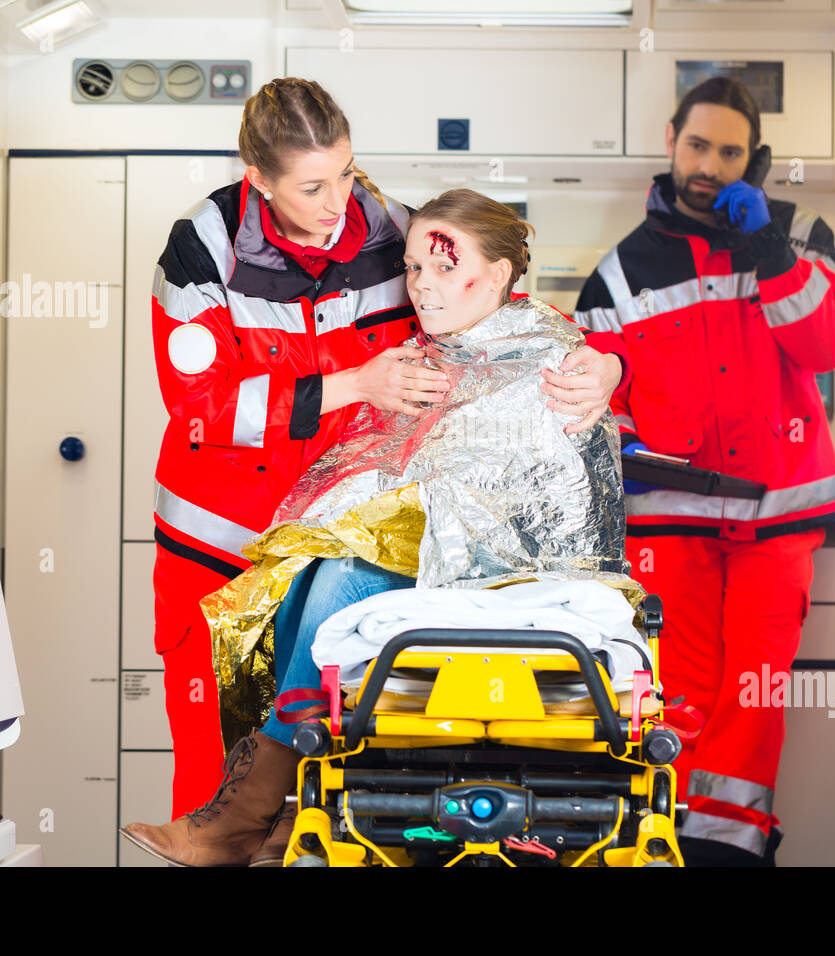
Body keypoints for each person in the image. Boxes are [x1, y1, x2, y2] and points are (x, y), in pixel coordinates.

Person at [149, 78, 627, 822]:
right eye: (312, 186)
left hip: (339, 535)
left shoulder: (395, 235)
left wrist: (608, 368)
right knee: (209, 769)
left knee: (331, 771)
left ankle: (262, 823)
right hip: (223, 543)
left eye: (346, 171)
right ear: (259, 183)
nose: (338, 200)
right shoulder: (201, 252)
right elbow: (203, 408)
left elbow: (497, 312)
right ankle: (230, 830)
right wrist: (352, 384)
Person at [574, 76, 835, 866]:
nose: (710, 165)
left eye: (730, 151)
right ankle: (666, 848)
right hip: (673, 522)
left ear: (753, 157)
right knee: (678, 697)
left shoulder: (799, 233)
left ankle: (729, 853)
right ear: (672, 137)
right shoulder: (622, 273)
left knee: (756, 695)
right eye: (698, 145)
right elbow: (597, 405)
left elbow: (831, 342)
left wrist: (768, 251)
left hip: (778, 518)